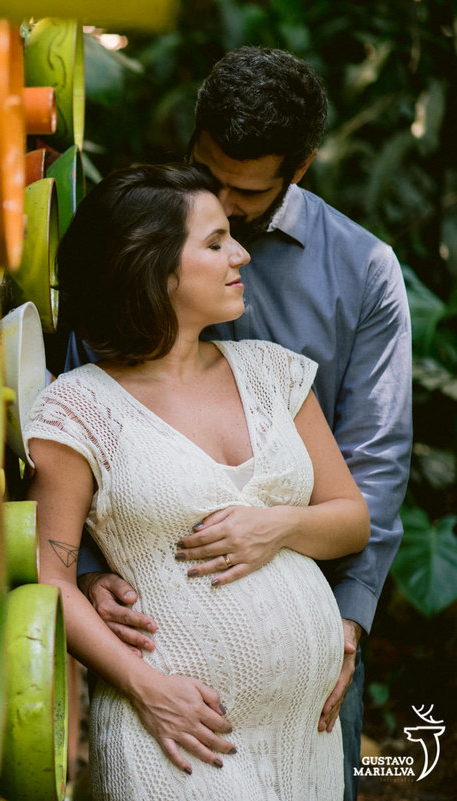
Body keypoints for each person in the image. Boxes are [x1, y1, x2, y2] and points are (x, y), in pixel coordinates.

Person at [68, 47, 413, 801]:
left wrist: (346, 623)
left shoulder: (363, 269)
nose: (222, 203)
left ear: (304, 165)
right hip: (161, 659)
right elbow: (75, 421)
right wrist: (91, 578)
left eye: (245, 192)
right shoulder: (130, 234)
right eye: (207, 173)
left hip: (318, 645)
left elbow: (374, 464)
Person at [26, 162, 370, 799]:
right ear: (150, 265)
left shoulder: (275, 374)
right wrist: (148, 690)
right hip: (175, 737)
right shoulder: (77, 409)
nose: (241, 253)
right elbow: (51, 581)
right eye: (214, 243)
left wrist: (278, 527)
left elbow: (351, 518)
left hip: (304, 737)